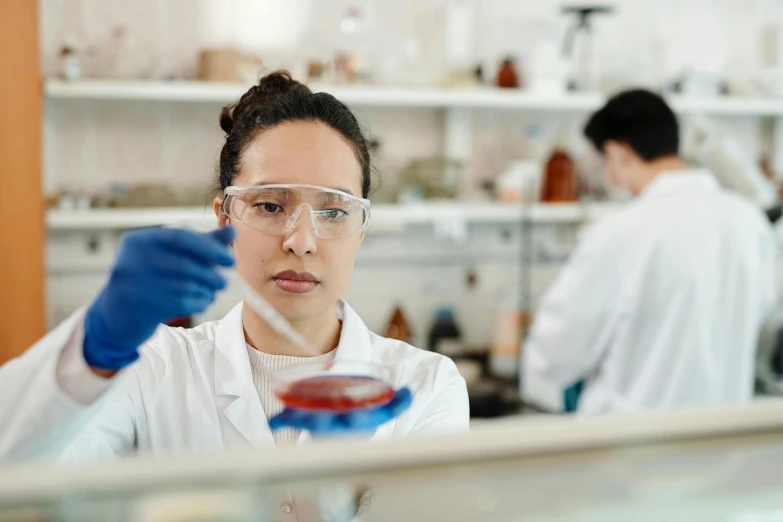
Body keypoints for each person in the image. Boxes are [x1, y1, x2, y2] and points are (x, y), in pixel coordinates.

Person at [0, 72, 469, 463]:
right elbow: (17, 476)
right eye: (269, 205)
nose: (300, 241)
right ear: (224, 218)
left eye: (333, 211)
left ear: (361, 229)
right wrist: (93, 348)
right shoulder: (153, 368)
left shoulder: (426, 386)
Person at [522, 89, 777, 414]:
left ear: (618, 151)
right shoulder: (748, 221)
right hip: (721, 444)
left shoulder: (620, 232)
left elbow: (556, 353)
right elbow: (764, 316)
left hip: (632, 450)